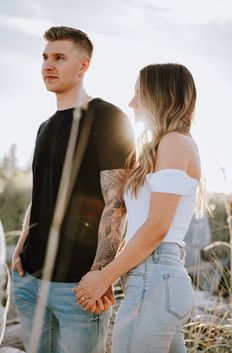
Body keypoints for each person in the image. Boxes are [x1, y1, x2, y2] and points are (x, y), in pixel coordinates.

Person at [11, 26, 134, 353]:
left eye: (60, 57)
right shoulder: (44, 127)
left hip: (77, 288)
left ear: (83, 65)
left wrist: (100, 275)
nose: (48, 65)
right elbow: (41, 195)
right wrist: (21, 245)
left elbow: (117, 202)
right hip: (29, 283)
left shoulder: (108, 118)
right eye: (45, 57)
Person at [73, 63, 201, 353]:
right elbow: (143, 226)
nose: (131, 102)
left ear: (161, 96)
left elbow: (157, 227)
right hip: (154, 280)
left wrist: (105, 277)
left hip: (154, 281)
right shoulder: (169, 146)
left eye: (138, 93)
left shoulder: (175, 143)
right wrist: (111, 274)